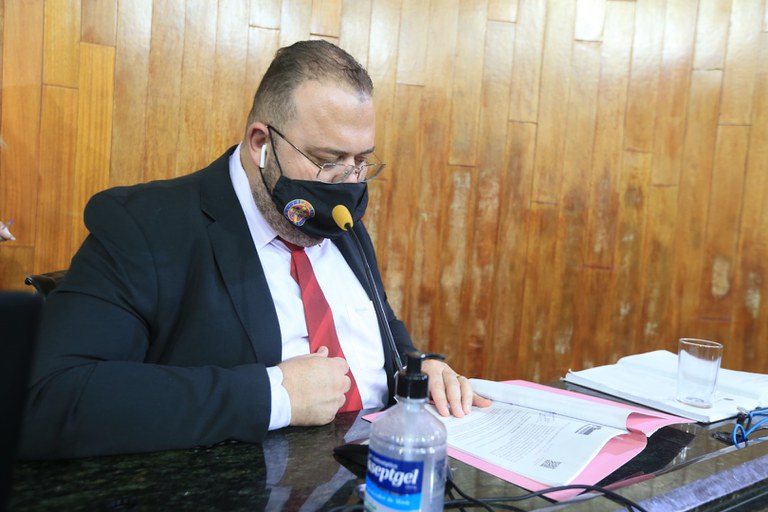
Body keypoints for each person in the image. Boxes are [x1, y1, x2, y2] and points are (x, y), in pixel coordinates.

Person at [20, 40, 490, 459]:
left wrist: (419, 368)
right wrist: (273, 395)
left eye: (361, 162)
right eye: (328, 161)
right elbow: (47, 397)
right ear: (261, 144)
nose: (348, 185)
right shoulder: (145, 225)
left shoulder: (342, 223)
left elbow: (378, 326)